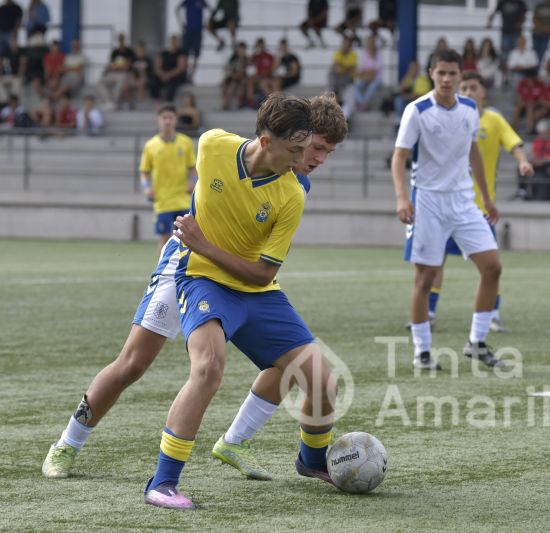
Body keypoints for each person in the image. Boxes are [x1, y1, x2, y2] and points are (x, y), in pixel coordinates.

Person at [41, 95, 349, 491]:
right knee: (133, 363)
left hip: (238, 277)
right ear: (289, 138)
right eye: (315, 147)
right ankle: (68, 442)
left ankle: (237, 440)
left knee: (289, 363)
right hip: (187, 266)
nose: (317, 157)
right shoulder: (218, 147)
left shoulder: (294, 185)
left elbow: (260, 264)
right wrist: (200, 241)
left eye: (326, 150)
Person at [138, 94, 330, 509]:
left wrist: (202, 241)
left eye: (306, 150)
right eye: (294, 150)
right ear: (265, 141)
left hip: (258, 291)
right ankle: (162, 483)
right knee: (208, 368)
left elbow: (262, 273)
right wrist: (194, 244)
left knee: (323, 379)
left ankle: (313, 461)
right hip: (203, 281)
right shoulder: (211, 145)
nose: (301, 160)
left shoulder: (293, 194)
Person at [392, 49, 504, 371]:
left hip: (463, 201)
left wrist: (487, 198)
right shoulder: (418, 110)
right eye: (440, 72)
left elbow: (474, 154)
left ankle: (477, 342)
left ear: (460, 76)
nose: (446, 79)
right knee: (425, 278)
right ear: (431, 73)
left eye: (452, 73)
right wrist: (402, 198)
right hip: (427, 200)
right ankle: (422, 352)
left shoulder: (470, 108)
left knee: (492, 267)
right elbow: (399, 158)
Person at [424, 71, 533, 333]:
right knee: (435, 260)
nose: (469, 92)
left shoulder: (493, 120)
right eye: (465, 88)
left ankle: (493, 314)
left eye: (474, 88)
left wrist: (523, 161)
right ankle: (428, 312)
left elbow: (514, 143)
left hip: (481, 208)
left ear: (483, 92)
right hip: (447, 204)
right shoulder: (451, 120)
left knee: (490, 265)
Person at [139, 105, 198, 251]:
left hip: (182, 199)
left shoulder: (186, 142)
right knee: (164, 239)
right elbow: (144, 171)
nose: (167, 121)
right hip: (163, 201)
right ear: (158, 120)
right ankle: (161, 272)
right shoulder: (150, 145)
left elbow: (193, 168)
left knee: (187, 239)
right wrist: (147, 188)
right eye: (164, 118)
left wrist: (193, 182)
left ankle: (183, 271)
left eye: (170, 118)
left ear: (175, 120)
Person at [486, 0, 528, 84]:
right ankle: (505, 77)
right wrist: (489, 22)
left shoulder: (520, 3)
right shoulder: (503, 2)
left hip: (516, 33)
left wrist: (520, 23)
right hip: (505, 33)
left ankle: (513, 77)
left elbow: (524, 15)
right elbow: (494, 12)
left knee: (515, 56)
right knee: (504, 56)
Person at [97, 33, 134, 111]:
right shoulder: (115, 52)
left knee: (121, 82)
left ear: (125, 40)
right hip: (113, 73)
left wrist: (116, 66)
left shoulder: (129, 51)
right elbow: (110, 65)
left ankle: (114, 102)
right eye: (119, 39)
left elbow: (126, 66)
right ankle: (109, 101)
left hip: (124, 74)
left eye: (122, 39)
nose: (120, 41)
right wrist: (117, 66)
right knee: (100, 82)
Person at [176, 0, 209, 79]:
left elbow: (210, 10)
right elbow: (177, 10)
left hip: (197, 32)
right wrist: (181, 23)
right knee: (185, 54)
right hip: (188, 31)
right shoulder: (188, 1)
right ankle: (185, 75)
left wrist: (206, 22)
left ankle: (191, 76)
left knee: (196, 56)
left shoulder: (201, 1)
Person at [151, 35, 188, 103]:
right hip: (163, 75)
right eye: (171, 41)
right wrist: (162, 74)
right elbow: (157, 67)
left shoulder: (181, 53)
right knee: (153, 82)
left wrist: (169, 75)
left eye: (174, 41)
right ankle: (157, 99)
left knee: (172, 85)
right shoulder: (163, 53)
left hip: (175, 76)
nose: (173, 43)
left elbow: (181, 68)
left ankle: (168, 102)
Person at [352, 34, 382, 111]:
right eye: (368, 42)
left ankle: (364, 103)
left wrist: (367, 75)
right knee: (356, 85)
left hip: (376, 78)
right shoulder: (365, 53)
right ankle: (363, 103)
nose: (369, 44)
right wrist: (363, 76)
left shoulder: (378, 53)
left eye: (371, 42)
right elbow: (363, 69)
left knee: (371, 87)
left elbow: (375, 71)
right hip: (366, 77)